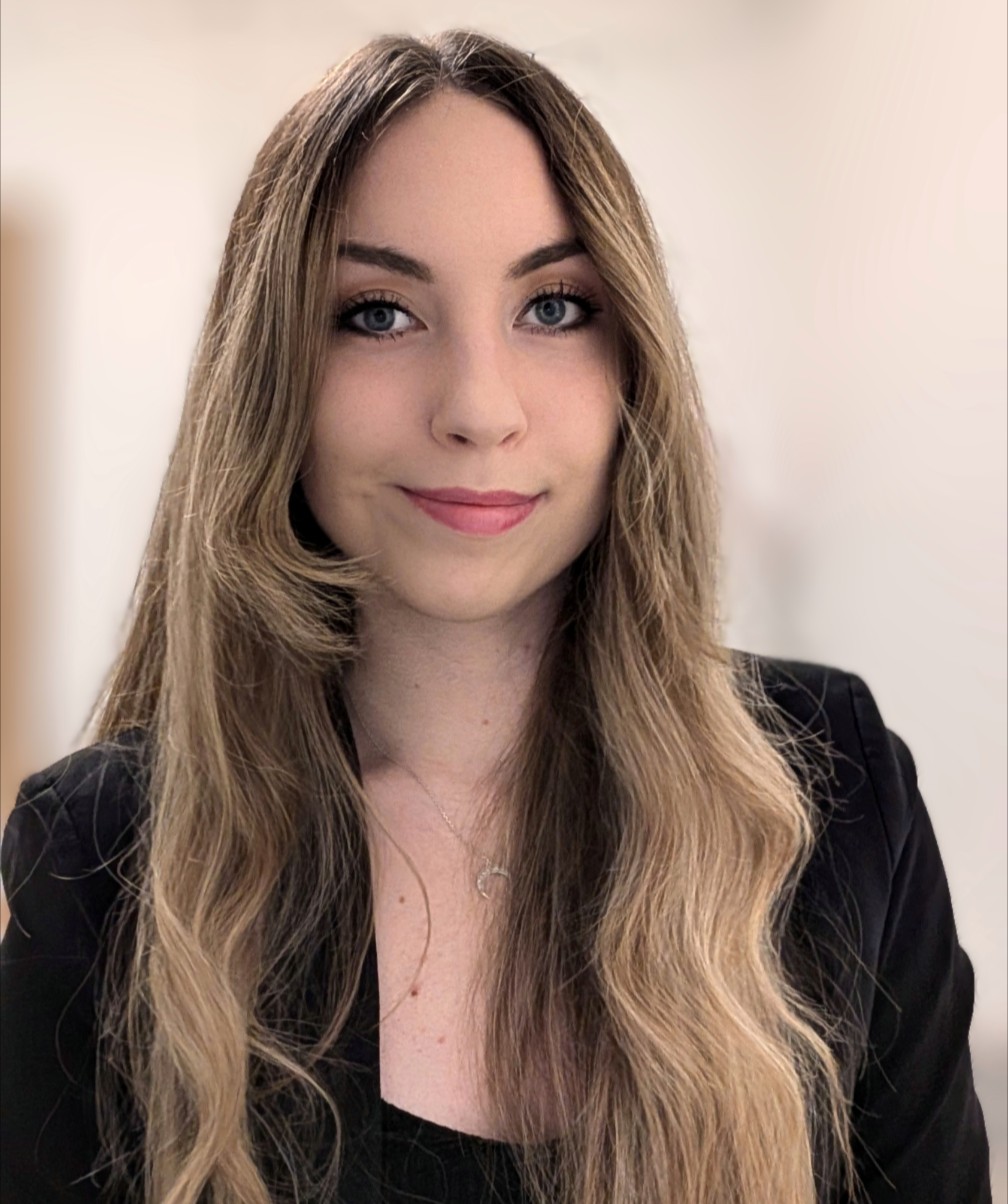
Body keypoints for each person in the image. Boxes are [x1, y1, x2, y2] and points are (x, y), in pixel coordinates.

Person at [0, 29, 992, 1204]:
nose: (478, 406)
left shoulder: (834, 796)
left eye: (554, 306)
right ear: (271, 377)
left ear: (634, 364)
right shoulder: (104, 861)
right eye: (378, 313)